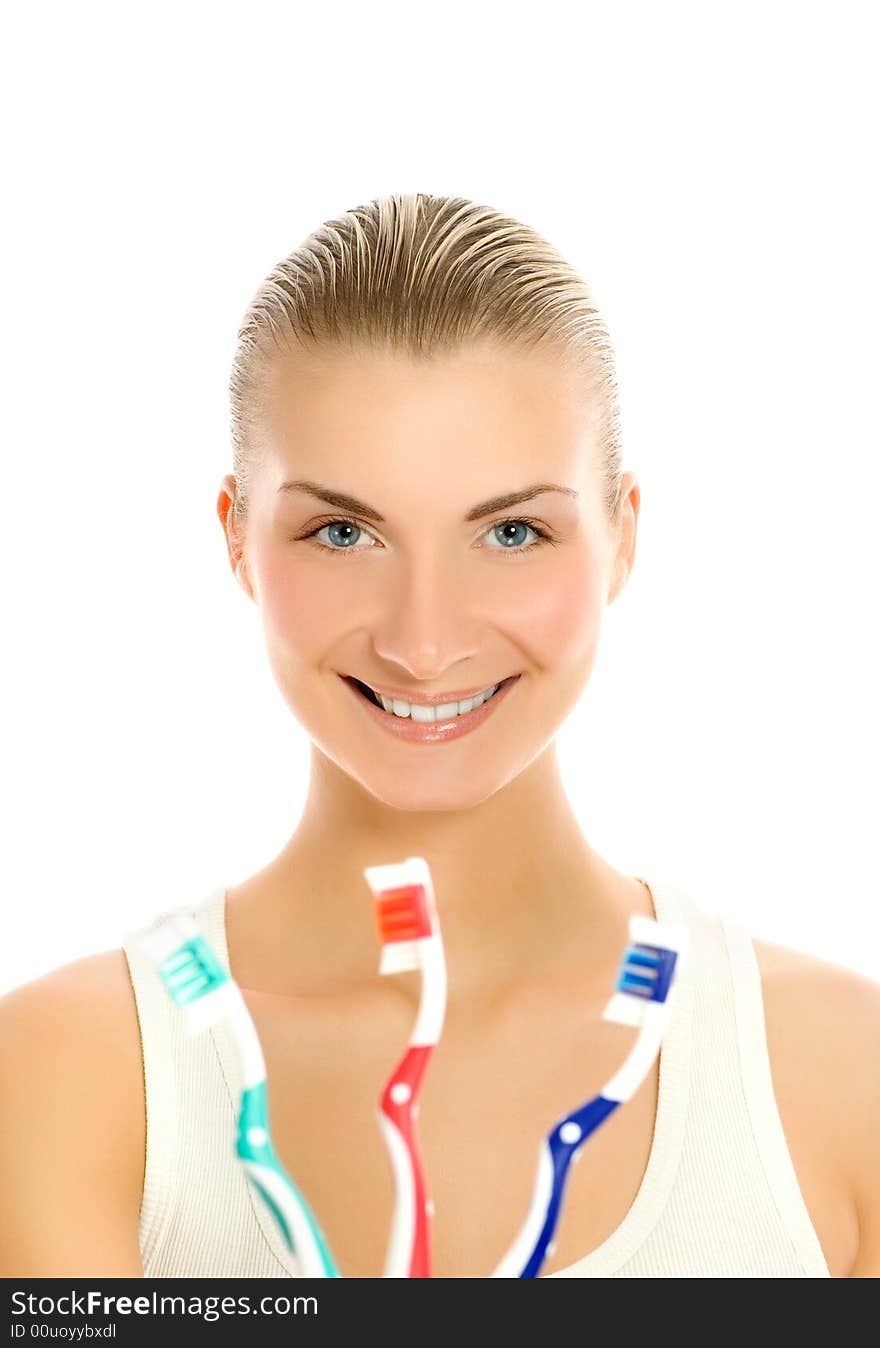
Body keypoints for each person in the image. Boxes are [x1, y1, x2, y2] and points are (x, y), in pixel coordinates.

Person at [1, 193, 877, 1279]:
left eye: (512, 531)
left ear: (621, 538)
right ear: (236, 539)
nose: (425, 641)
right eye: (343, 531)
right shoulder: (69, 1073)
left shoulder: (844, 1076)